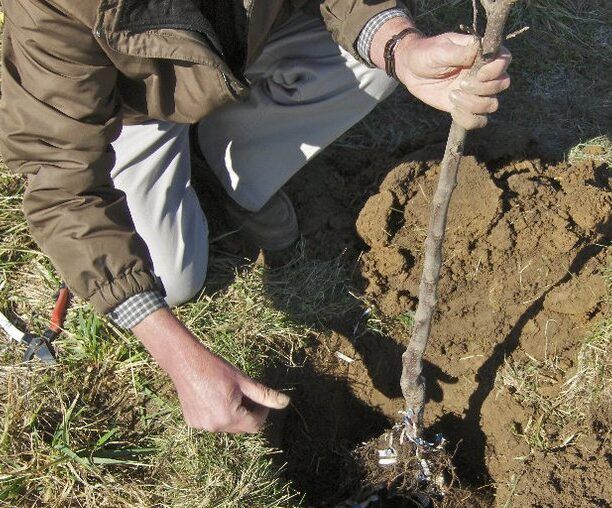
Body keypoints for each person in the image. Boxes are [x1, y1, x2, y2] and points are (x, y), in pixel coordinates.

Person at [0, 1, 511, 433]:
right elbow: (60, 178)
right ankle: (194, 147)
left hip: (257, 41)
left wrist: (400, 46)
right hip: (139, 101)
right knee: (167, 281)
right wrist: (176, 353)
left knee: (377, 65)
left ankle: (241, 151)